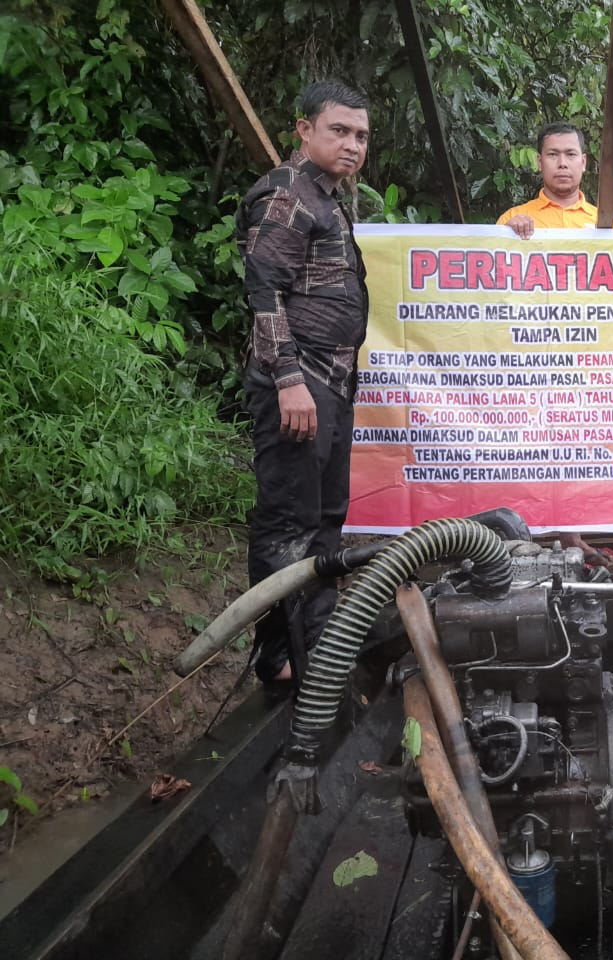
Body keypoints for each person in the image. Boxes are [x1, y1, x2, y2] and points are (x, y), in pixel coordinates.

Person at [236, 80, 371, 685]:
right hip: (299, 383)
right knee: (288, 522)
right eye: (338, 130)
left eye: (361, 136)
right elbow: (264, 294)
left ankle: (313, 649)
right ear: (305, 130)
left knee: (323, 521)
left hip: (329, 385)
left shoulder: (328, 197)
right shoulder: (288, 195)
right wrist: (289, 380)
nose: (351, 144)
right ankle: (281, 656)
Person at [499, 122, 613, 562]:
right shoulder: (514, 220)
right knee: (536, 445)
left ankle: (574, 534)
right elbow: (493, 293)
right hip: (534, 359)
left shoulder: (606, 224)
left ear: (584, 163)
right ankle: (534, 533)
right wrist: (509, 238)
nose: (562, 162)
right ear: (539, 161)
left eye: (570, 154)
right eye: (552, 154)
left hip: (586, 360)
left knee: (581, 444)